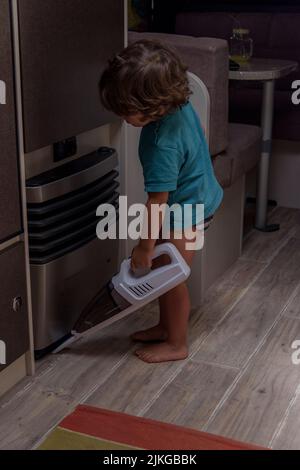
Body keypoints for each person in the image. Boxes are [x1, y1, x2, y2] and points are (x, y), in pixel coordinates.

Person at [99, 39, 223, 363]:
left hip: (188, 210)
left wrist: (144, 246)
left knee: (172, 279)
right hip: (197, 195)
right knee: (164, 274)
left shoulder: (160, 144)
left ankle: (177, 344)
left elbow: (157, 201)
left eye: (127, 110)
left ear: (152, 104)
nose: (122, 117)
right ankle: (163, 326)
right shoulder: (178, 105)